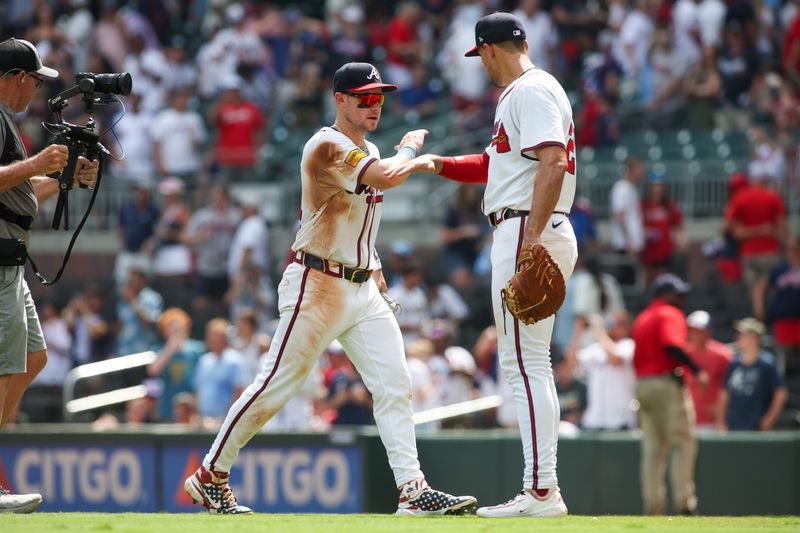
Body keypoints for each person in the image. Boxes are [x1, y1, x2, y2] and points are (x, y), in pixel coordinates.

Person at [183, 62, 476, 515]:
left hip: (360, 287)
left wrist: (374, 265)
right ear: (340, 99)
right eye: (364, 97)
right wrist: (410, 147)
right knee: (276, 385)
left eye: (378, 97)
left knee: (395, 383)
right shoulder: (327, 144)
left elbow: (362, 220)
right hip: (317, 284)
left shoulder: (368, 147)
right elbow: (387, 176)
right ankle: (210, 474)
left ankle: (413, 490)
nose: (374, 104)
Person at [387, 12, 577, 517]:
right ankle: (543, 488)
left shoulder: (528, 90)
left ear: (490, 49)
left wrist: (531, 237)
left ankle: (541, 491)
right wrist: (439, 164)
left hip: (525, 228)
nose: (482, 65)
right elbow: (499, 164)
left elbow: (554, 161)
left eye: (481, 55)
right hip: (531, 225)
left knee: (524, 366)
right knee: (531, 364)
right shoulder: (530, 92)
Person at [0, 37, 98, 513]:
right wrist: (40, 163)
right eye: (34, 81)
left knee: (32, 359)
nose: (36, 91)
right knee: (8, 365)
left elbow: (18, 191)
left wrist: (63, 176)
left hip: (11, 262)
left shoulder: (7, 122)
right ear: (18, 77)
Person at [632, 274, 709, 516]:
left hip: (643, 385)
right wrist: (698, 371)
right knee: (681, 443)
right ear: (666, 294)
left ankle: (653, 506)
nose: (681, 299)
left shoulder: (643, 317)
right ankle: (684, 504)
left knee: (653, 449)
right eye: (678, 294)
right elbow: (671, 344)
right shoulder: (669, 313)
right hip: (665, 383)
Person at [718, 318, 788, 431]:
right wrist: (720, 421)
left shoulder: (767, 363)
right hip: (733, 425)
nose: (737, 337)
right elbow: (725, 393)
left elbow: (781, 393)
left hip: (757, 426)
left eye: (741, 334)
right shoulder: (734, 363)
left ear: (754, 337)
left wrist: (769, 419)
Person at [683, 310, 733, 431]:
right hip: (686, 420)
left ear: (709, 332)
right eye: (691, 330)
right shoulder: (683, 354)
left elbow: (731, 386)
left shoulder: (723, 355)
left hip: (712, 421)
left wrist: (722, 411)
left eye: (699, 330)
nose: (694, 334)